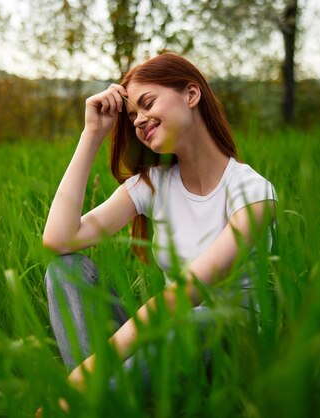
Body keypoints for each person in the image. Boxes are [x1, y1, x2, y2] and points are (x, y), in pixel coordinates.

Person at [42, 53, 277, 403]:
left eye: (147, 103)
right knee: (66, 268)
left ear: (191, 94)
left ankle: (84, 399)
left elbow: (185, 293)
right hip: (166, 333)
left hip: (227, 339)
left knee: (196, 320)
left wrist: (95, 366)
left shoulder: (252, 192)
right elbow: (59, 241)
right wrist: (92, 134)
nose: (138, 121)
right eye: (133, 114)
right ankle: (98, 402)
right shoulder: (153, 183)